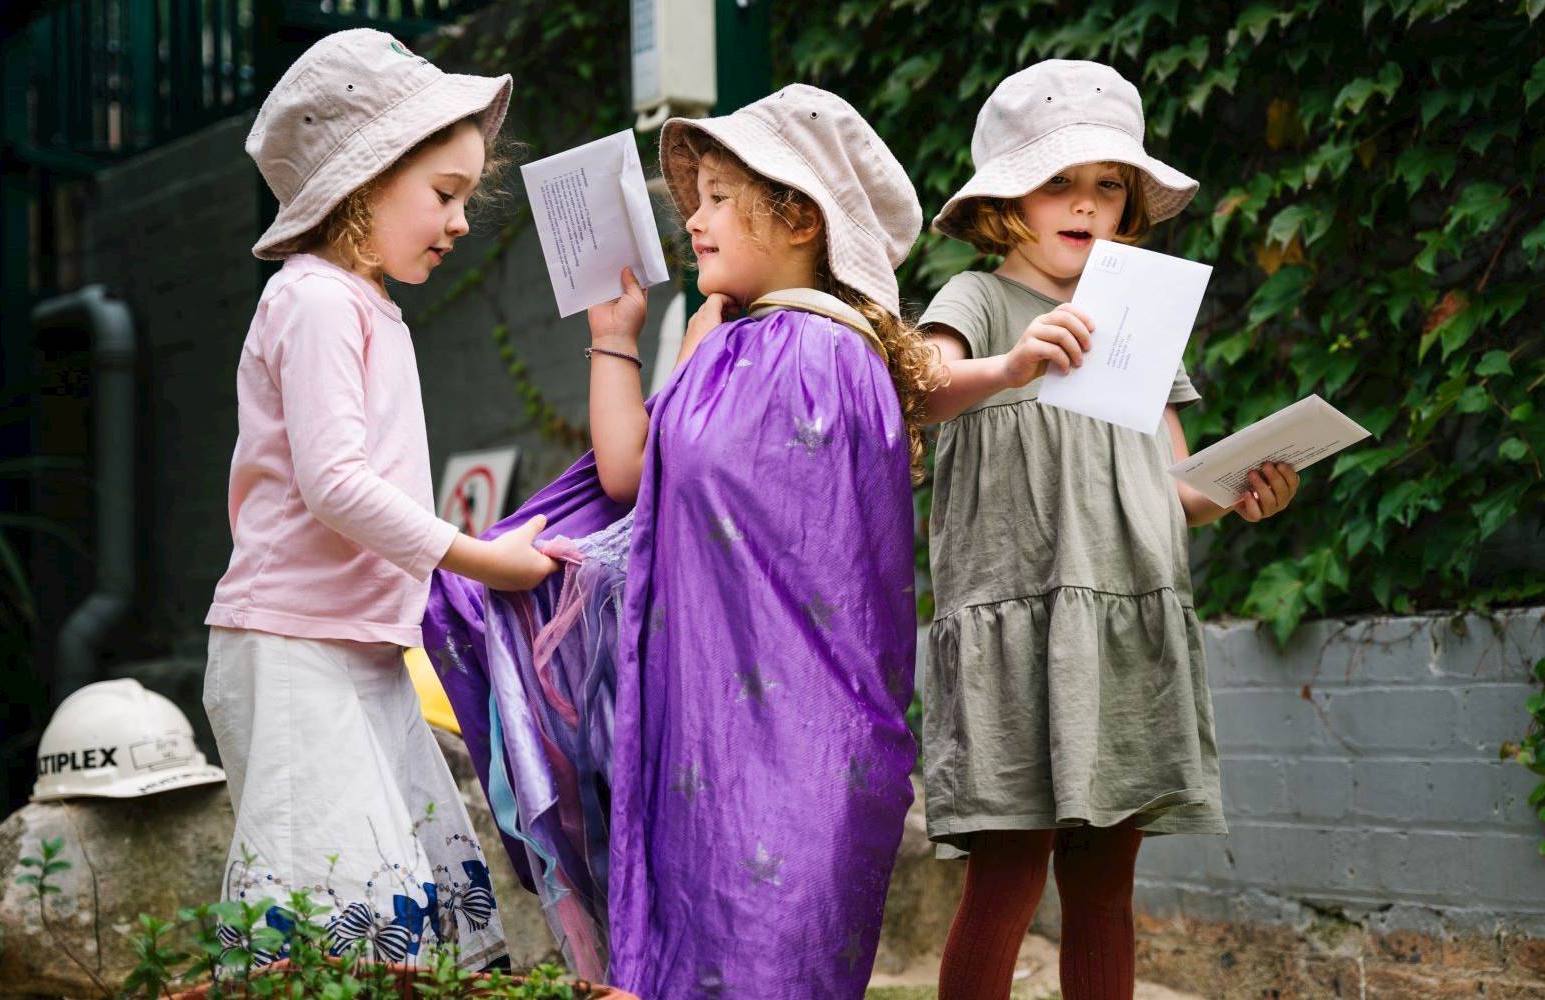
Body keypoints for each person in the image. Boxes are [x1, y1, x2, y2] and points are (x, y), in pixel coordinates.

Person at [424, 84, 937, 997]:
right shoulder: (737, 340)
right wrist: (616, 336)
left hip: (801, 736)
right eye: (694, 199)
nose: (693, 219)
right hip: (705, 728)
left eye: (718, 197)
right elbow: (633, 474)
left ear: (800, 218)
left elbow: (712, 479)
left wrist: (700, 362)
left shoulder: (823, 354)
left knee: (768, 959)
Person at [917, 59, 1302, 1000]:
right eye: (1059, 181)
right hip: (1016, 627)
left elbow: (1175, 484)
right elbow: (919, 390)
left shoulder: (1137, 314)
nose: (1087, 203)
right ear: (1007, 199)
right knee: (1006, 879)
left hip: (1122, 624)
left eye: (1109, 184)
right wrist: (1010, 367)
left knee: (1103, 888)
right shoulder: (977, 301)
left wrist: (1239, 488)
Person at [202, 29, 555, 969]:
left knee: (397, 907)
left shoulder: (365, 307)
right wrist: (480, 561)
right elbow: (336, 485)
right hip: (293, 648)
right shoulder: (315, 302)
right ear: (364, 184)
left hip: (353, 647)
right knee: (336, 915)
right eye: (444, 193)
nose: (460, 221)